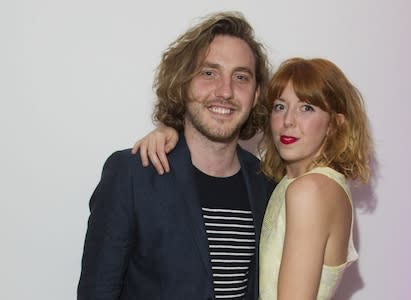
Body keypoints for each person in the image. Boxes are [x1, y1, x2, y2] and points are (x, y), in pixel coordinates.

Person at [134, 57, 373, 299]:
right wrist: (169, 130)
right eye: (280, 106)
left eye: (306, 108)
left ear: (334, 124)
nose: (288, 120)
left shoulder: (309, 190)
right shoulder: (302, 185)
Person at [78, 11, 275, 300]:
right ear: (183, 83)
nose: (225, 91)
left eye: (241, 77)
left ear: (256, 94)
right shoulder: (132, 174)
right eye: (209, 73)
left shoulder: (265, 184)